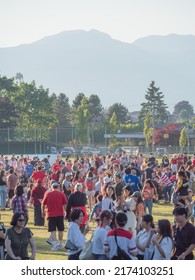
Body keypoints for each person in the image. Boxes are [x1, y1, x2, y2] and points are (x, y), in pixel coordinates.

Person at [41, 182, 68, 251]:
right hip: (60, 214)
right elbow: (65, 204)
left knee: (52, 230)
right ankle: (61, 243)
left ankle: (55, 244)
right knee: (60, 229)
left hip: (51, 214)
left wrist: (43, 212)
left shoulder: (48, 194)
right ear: (58, 187)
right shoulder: (61, 194)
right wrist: (65, 211)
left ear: (51, 187)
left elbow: (43, 204)